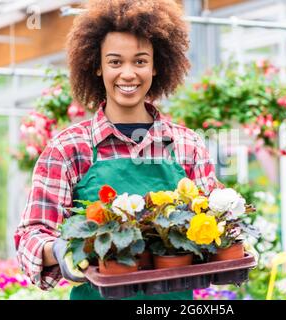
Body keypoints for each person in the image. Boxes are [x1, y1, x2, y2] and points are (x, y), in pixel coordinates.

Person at [14, 0, 223, 300]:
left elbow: (214, 226)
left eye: (140, 61)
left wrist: (231, 234)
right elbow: (31, 236)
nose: (128, 74)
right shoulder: (69, 149)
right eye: (115, 61)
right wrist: (57, 249)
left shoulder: (187, 146)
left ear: (156, 66)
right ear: (97, 66)